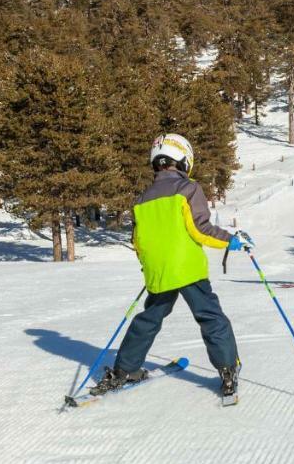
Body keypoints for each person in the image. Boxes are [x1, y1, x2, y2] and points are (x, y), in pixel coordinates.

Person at [92, 133, 251, 400]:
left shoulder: (142, 199)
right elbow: (200, 229)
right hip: (187, 269)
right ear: (183, 159)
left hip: (159, 270)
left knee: (149, 318)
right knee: (210, 316)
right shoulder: (188, 189)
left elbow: (138, 242)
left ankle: (125, 370)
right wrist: (231, 240)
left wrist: (150, 266)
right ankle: (227, 370)